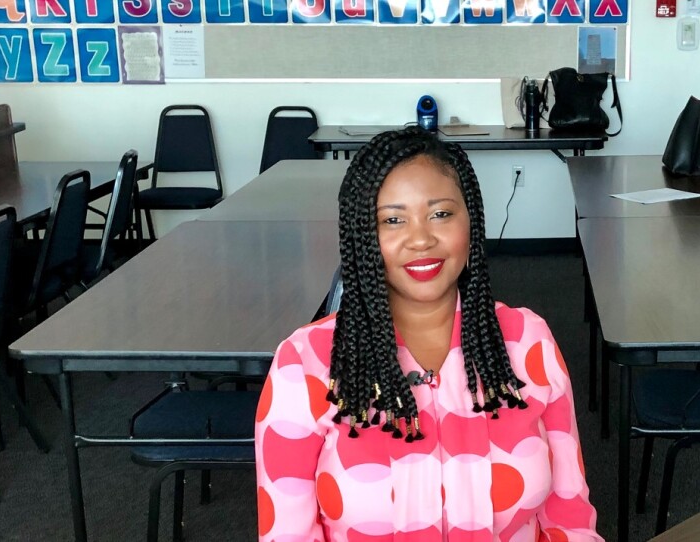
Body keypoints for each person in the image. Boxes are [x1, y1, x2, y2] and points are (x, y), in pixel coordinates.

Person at [255, 127, 601, 541]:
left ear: (470, 219)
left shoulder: (528, 340)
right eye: (393, 220)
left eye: (440, 214)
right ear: (363, 236)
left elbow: (570, 518)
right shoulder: (304, 364)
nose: (420, 239)